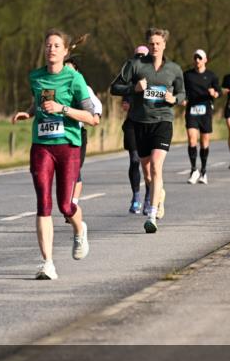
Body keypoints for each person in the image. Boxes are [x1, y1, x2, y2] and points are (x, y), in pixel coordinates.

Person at [12, 30, 98, 279]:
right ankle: (47, 263)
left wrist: (63, 108)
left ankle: (79, 229)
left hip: (68, 146)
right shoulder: (35, 77)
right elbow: (38, 102)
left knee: (65, 204)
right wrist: (28, 113)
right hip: (42, 145)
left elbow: (92, 118)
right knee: (43, 203)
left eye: (56, 45)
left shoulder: (74, 79)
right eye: (48, 45)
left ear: (65, 51)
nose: (51, 49)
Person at [110, 27, 186, 233]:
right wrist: (133, 89)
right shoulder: (135, 65)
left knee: (155, 165)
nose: (154, 47)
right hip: (139, 123)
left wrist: (175, 99)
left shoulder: (174, 69)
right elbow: (114, 88)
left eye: (158, 43)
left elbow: (181, 93)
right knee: (148, 173)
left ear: (164, 45)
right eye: (151, 43)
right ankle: (158, 195)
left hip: (163, 121)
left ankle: (152, 214)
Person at [65, 55, 103, 206]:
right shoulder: (56, 87)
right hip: (60, 134)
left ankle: (73, 203)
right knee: (66, 172)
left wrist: (95, 116)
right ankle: (68, 203)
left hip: (78, 133)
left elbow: (97, 105)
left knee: (75, 169)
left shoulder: (84, 87)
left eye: (70, 70)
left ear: (76, 71)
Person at [181, 49, 220, 184]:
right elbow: (182, 90)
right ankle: (193, 170)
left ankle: (203, 171)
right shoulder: (187, 75)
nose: (197, 60)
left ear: (205, 60)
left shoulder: (211, 76)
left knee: (204, 142)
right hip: (192, 109)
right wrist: (183, 99)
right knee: (192, 139)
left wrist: (214, 93)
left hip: (205, 110)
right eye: (195, 58)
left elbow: (218, 92)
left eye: (199, 58)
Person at [123, 45, 148, 213]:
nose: (140, 58)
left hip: (150, 124)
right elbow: (123, 101)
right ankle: (136, 196)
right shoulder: (130, 78)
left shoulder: (155, 77)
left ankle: (149, 198)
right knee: (134, 160)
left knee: (149, 165)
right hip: (132, 123)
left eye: (143, 56)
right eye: (137, 56)